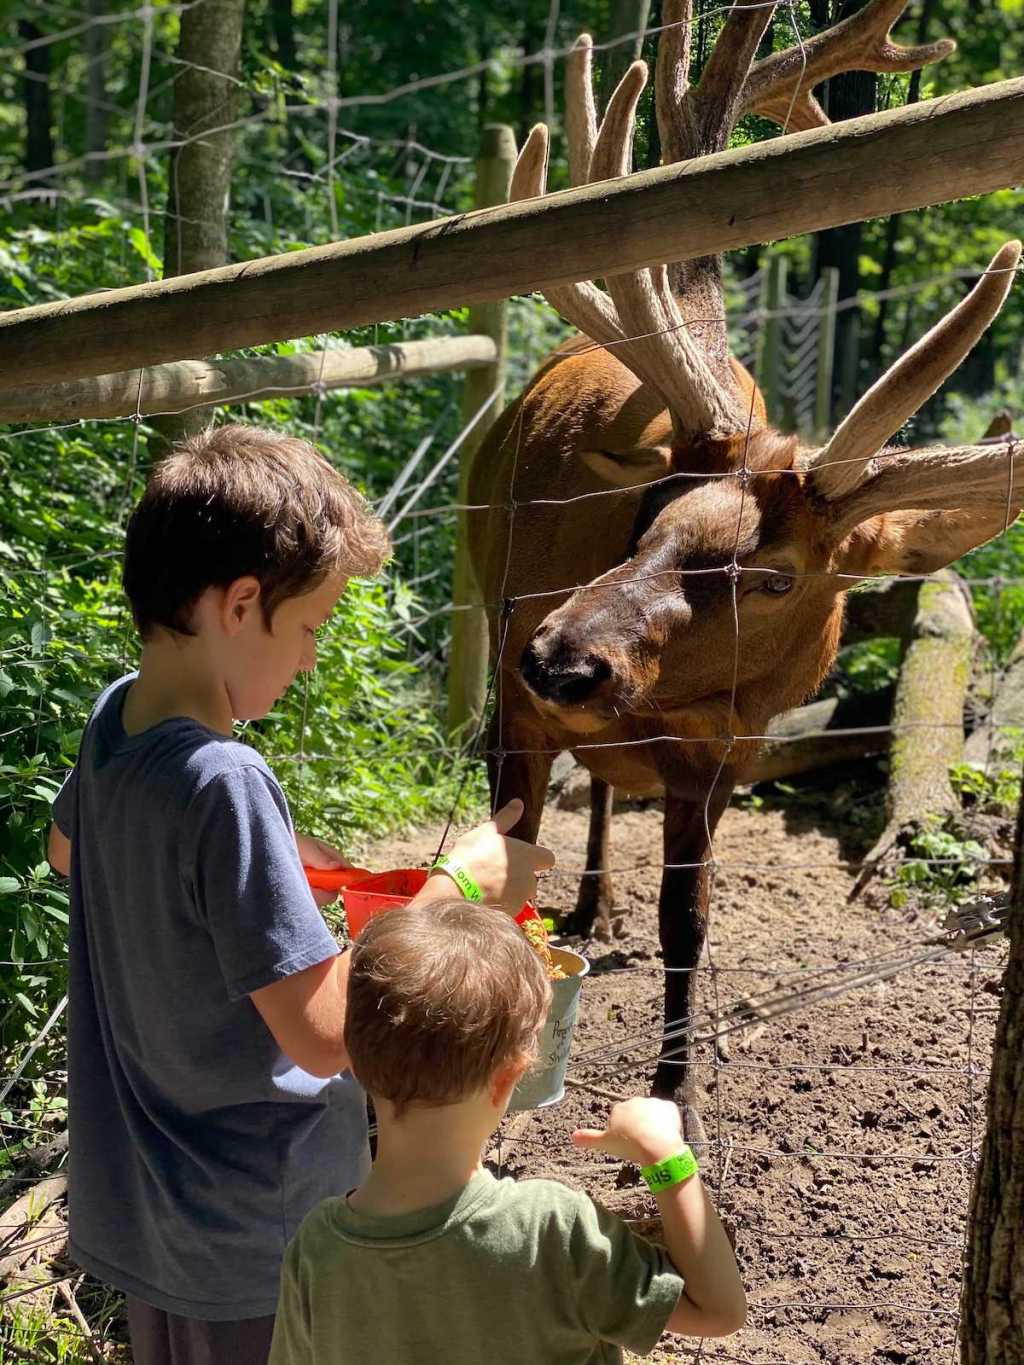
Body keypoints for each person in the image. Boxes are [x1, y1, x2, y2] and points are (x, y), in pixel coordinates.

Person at [47, 424, 554, 1365]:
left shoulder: (116, 715)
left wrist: (268, 864)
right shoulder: (225, 779)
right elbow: (325, 1033)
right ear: (241, 604)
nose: (314, 656)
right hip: (255, 1223)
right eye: (312, 626)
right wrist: (456, 887)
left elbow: (69, 850)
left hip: (150, 1207)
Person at [269, 900, 747, 1365]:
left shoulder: (316, 1250)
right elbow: (718, 1311)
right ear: (507, 1078)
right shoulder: (552, 1232)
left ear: (354, 1057)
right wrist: (666, 1159)